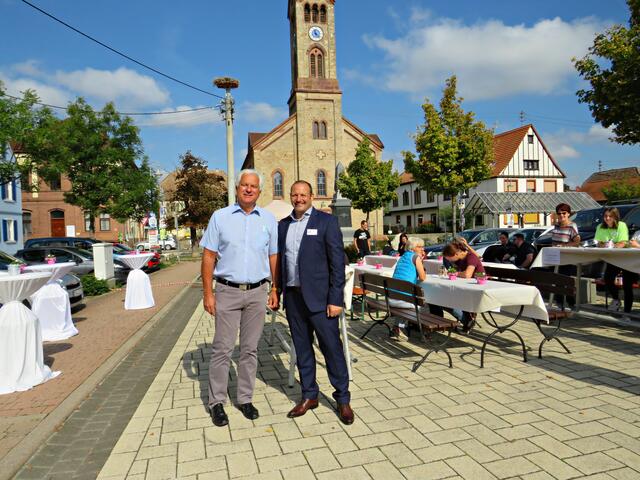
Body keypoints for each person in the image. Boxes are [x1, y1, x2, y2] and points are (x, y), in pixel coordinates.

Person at [200, 169, 279, 427]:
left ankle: (245, 399)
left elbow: (273, 256)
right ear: (237, 188)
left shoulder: (268, 219)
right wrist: (208, 293)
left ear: (259, 191)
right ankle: (216, 402)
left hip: (258, 292)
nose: (248, 189)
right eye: (244, 185)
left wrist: (275, 288)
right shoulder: (220, 217)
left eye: (253, 186)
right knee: (222, 349)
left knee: (249, 349)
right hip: (227, 291)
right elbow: (208, 256)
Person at [277, 181, 354, 425]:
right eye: (295, 194)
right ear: (291, 196)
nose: (299, 199)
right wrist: (277, 290)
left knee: (332, 349)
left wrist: (336, 299)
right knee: (302, 350)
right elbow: (280, 262)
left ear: (311, 196)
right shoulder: (283, 225)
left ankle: (343, 398)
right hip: (293, 298)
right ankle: (309, 395)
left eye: (303, 195)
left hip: (322, 301)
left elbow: (337, 264)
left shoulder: (326, 222)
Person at [595, 208, 632, 313]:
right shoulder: (600, 226)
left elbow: (623, 243)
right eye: (605, 216)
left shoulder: (622, 225)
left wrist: (611, 246)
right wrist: (605, 245)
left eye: (610, 216)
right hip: (612, 258)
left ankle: (627, 313)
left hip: (626, 258)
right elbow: (598, 243)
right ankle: (616, 299)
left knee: (627, 285)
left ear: (615, 217)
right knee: (608, 279)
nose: (607, 218)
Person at [442, 241, 485, 332]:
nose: (449, 261)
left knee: (445, 301)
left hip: (476, 290)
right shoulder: (459, 259)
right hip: (465, 288)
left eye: (450, 258)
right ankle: (466, 319)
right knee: (442, 299)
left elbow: (467, 274)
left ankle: (467, 320)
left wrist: (455, 273)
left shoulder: (471, 257)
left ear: (456, 254)